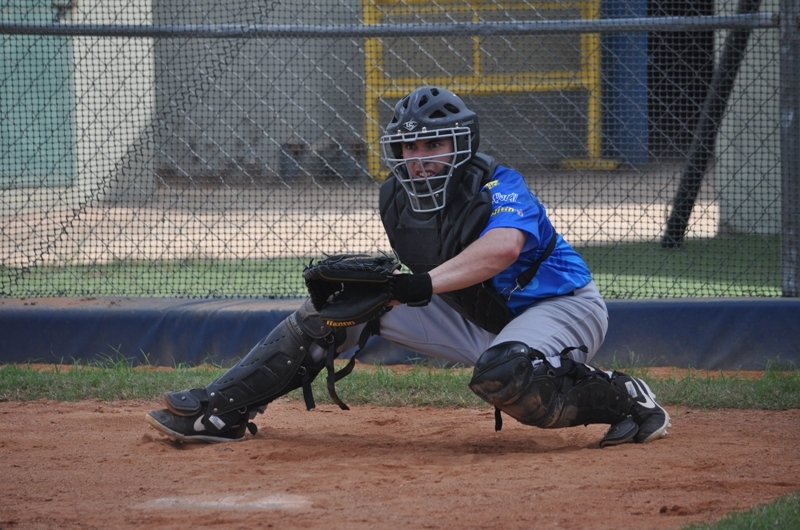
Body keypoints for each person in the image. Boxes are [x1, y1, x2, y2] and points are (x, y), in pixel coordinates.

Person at [146, 86, 670, 447]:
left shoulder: (500, 184)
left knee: (506, 373)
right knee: (332, 312)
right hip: (479, 315)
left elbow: (503, 249)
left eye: (434, 145)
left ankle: (626, 398)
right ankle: (220, 411)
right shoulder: (396, 198)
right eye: (410, 146)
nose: (420, 158)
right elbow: (424, 278)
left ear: (462, 144)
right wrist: (376, 295)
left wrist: (417, 285)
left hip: (559, 307)